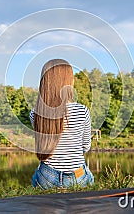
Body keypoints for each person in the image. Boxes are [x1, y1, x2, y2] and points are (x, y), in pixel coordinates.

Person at [30, 59, 94, 189]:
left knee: (35, 176)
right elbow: (86, 147)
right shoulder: (82, 111)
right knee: (89, 176)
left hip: (46, 177)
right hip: (77, 176)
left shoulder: (35, 113)